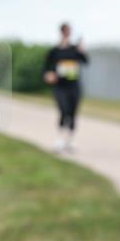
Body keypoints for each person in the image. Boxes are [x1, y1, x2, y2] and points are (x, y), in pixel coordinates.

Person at [44, 22, 89, 153]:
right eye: (66, 31)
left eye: (69, 31)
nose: (68, 33)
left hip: (74, 86)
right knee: (63, 110)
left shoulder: (75, 49)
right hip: (60, 86)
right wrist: (48, 75)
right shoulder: (55, 51)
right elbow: (46, 68)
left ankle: (69, 141)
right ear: (61, 32)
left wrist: (82, 50)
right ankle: (60, 139)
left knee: (73, 113)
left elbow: (86, 61)